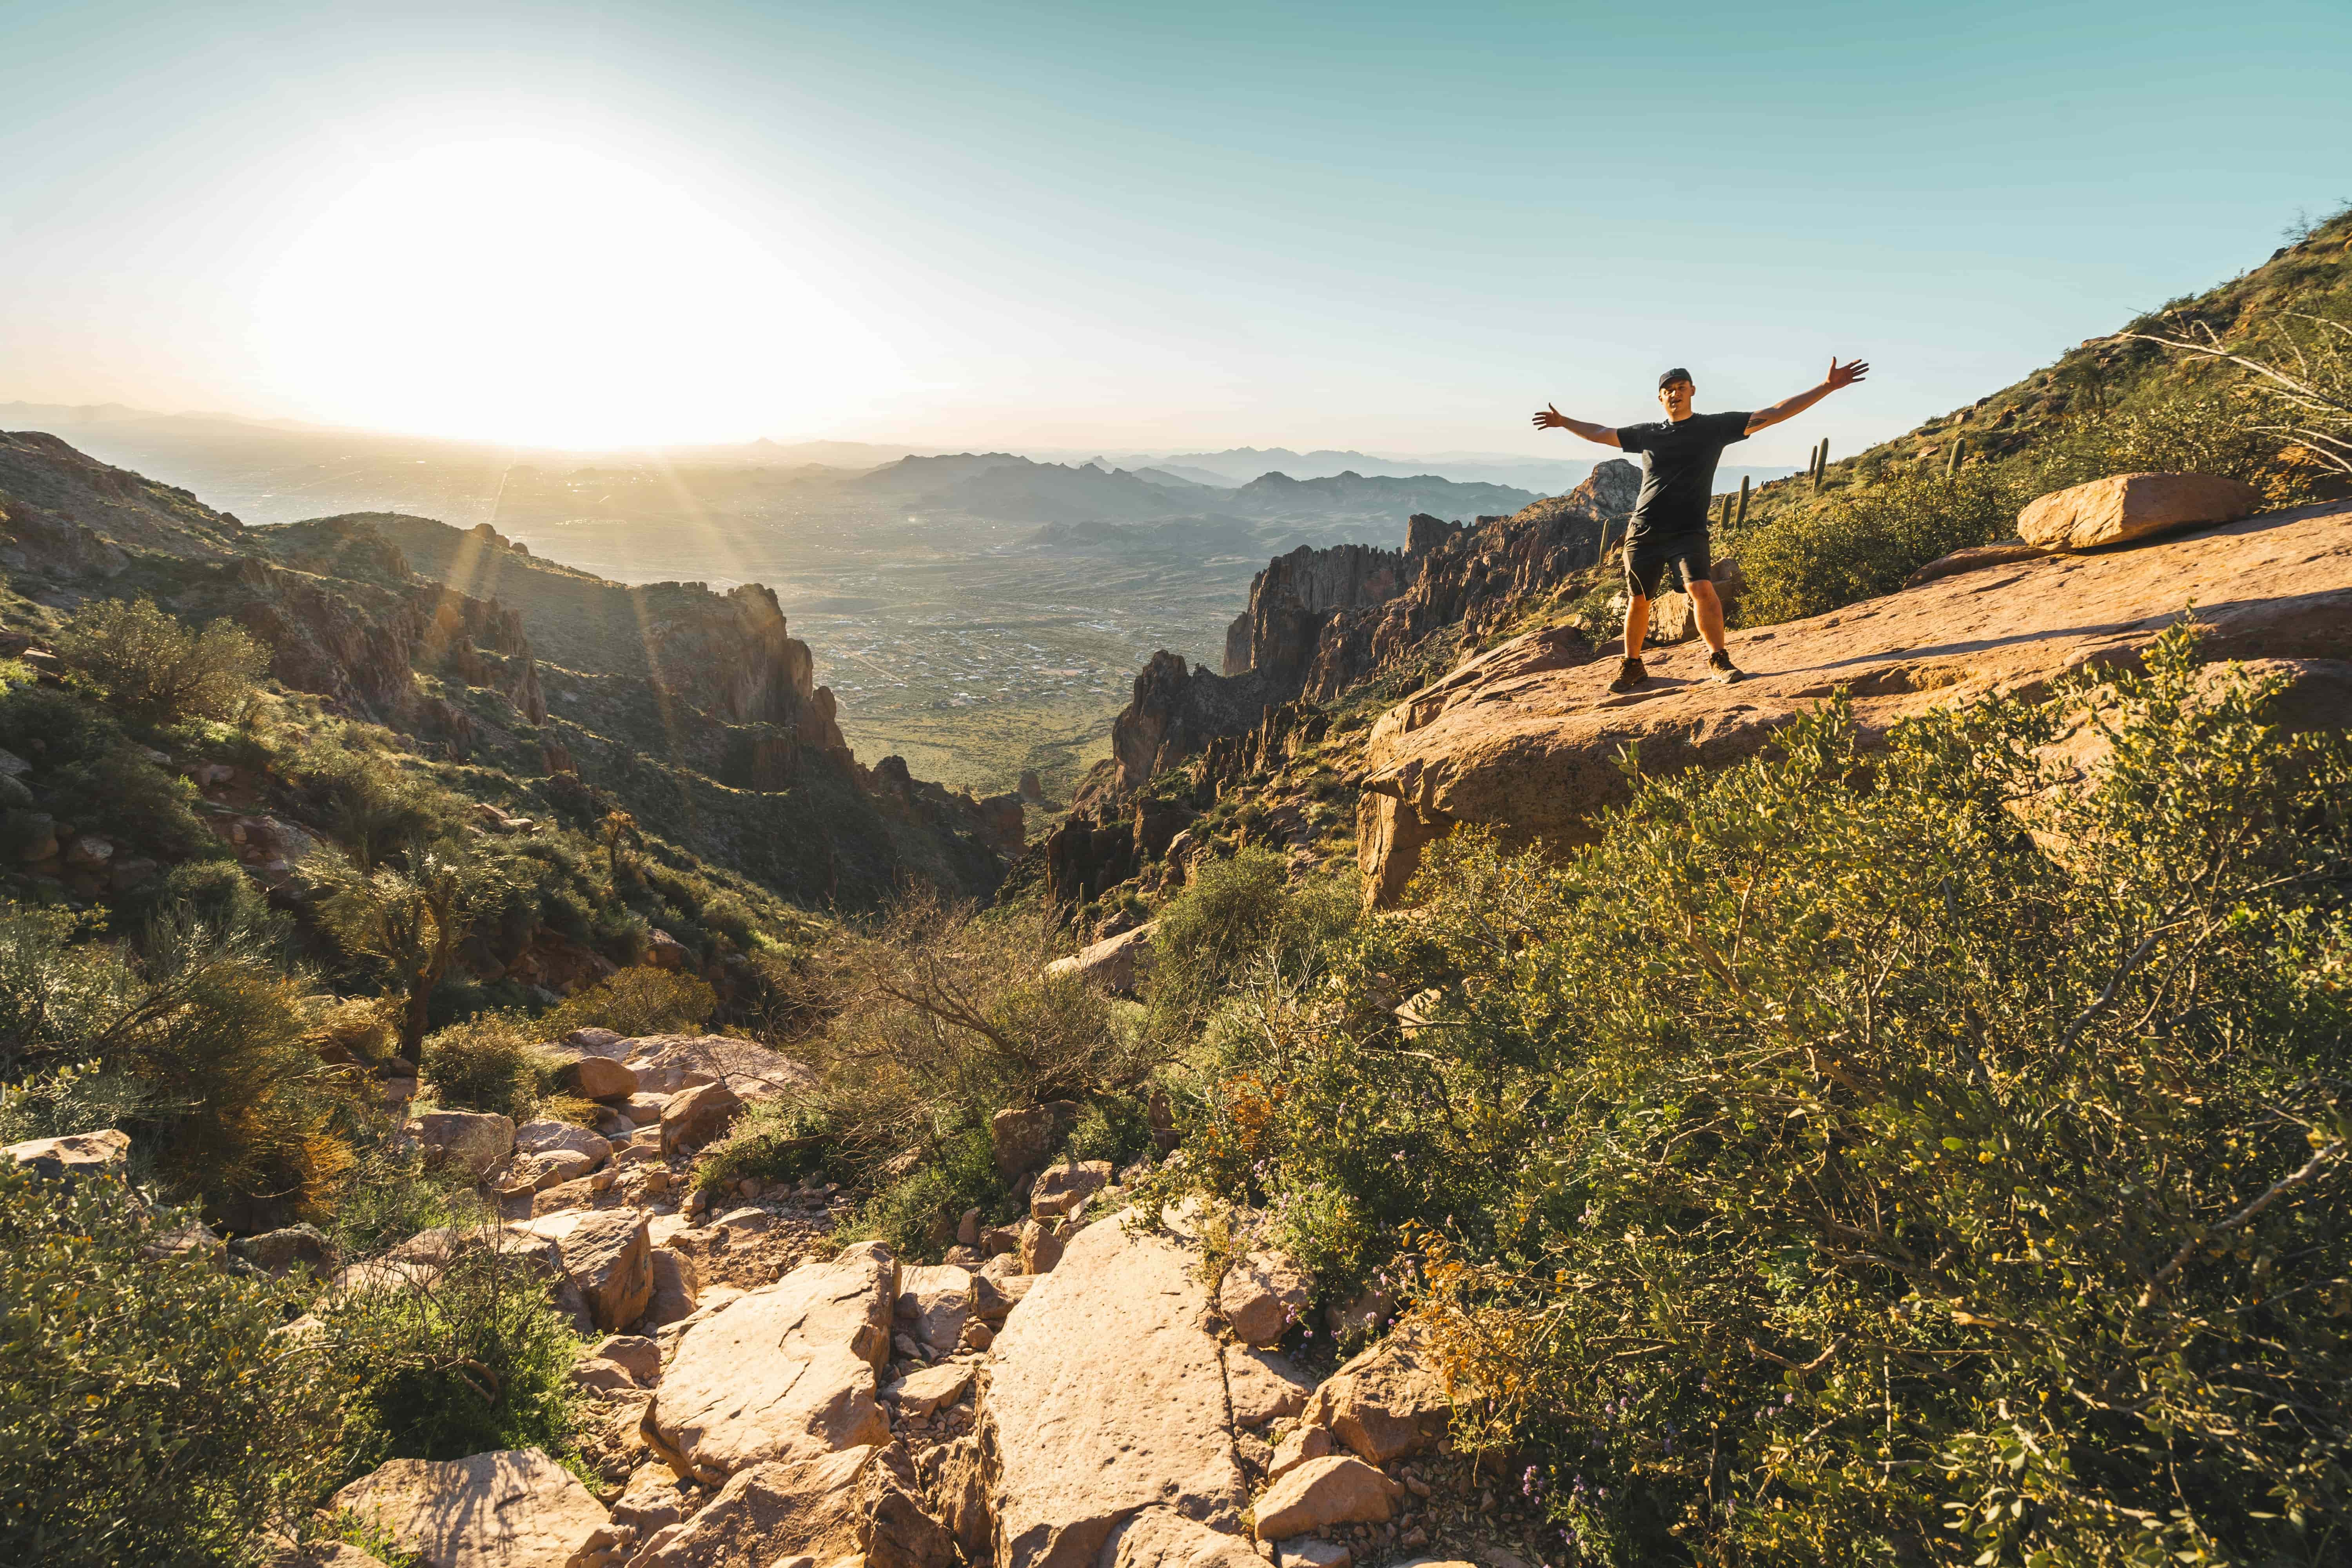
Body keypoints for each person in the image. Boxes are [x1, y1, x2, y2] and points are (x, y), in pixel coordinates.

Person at [1533, 358, 1868, 691]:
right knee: (1639, 599)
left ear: (1692, 391)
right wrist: (1564, 422)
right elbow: (1601, 434)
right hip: (1645, 530)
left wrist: (1826, 387)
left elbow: (1775, 412)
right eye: (1668, 391)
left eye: (1680, 388)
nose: (1674, 394)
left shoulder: (1714, 427)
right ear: (1660, 398)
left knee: (1701, 589)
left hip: (1687, 530)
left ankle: (1719, 660)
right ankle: (1633, 665)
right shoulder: (1648, 434)